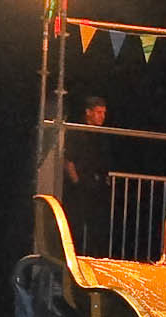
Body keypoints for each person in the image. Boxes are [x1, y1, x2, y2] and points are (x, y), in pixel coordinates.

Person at [63, 95, 111, 256]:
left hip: (97, 187)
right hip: (81, 187)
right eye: (98, 112)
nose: (102, 116)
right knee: (75, 227)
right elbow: (68, 160)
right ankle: (72, 259)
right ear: (88, 112)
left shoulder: (101, 134)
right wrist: (76, 182)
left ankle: (93, 259)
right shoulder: (78, 131)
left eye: (104, 113)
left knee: (96, 229)